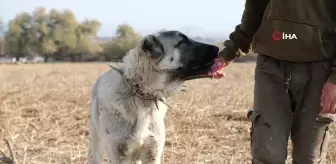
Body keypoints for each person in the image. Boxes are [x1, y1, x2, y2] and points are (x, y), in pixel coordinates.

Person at [217, 0, 336, 163]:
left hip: (319, 71)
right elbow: (254, 11)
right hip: (271, 68)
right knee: (267, 156)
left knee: (309, 158)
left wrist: (335, 80)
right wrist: (227, 54)